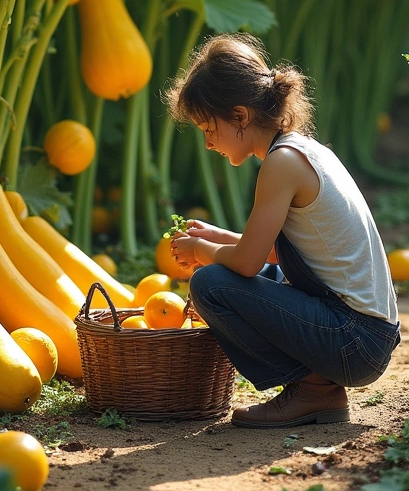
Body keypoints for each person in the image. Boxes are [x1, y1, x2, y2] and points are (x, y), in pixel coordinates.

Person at [166, 33, 400, 429]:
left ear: (239, 116)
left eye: (209, 129)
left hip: (356, 341)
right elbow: (282, 253)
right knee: (237, 276)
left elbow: (244, 263)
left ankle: (313, 390)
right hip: (367, 334)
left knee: (211, 284)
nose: (207, 143)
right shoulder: (302, 150)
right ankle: (317, 389)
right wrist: (218, 237)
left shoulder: (282, 163)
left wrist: (204, 250)